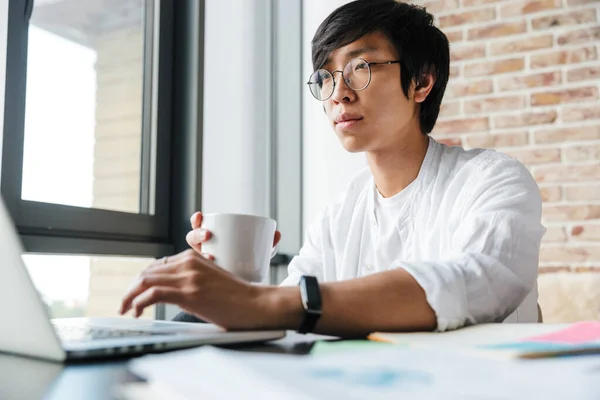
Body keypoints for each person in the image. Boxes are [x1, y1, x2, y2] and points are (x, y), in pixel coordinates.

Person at [119, 0, 545, 336]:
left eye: (360, 68)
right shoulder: (342, 212)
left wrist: (261, 304)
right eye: (325, 77)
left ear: (421, 82)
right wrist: (230, 281)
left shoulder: (493, 179)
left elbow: (478, 281)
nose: (337, 93)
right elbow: (289, 304)